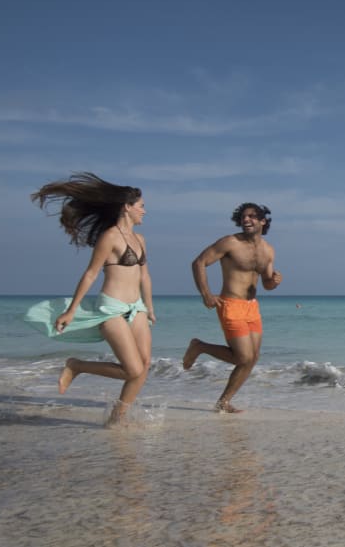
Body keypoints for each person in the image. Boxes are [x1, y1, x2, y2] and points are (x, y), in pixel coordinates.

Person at [23, 172, 156, 426]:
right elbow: (91, 274)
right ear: (127, 207)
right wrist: (72, 310)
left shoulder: (140, 240)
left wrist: (149, 307)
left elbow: (145, 276)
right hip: (111, 308)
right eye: (141, 206)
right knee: (132, 370)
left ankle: (117, 419)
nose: (144, 211)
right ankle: (77, 366)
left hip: (136, 307)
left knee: (145, 365)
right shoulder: (110, 237)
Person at [183, 203, 283, 413]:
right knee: (243, 357)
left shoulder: (268, 250)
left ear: (263, 221)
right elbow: (199, 262)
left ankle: (223, 402)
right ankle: (199, 346)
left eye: (252, 216)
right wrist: (206, 294)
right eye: (243, 217)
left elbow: (266, 283)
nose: (246, 220)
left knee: (253, 358)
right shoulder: (230, 242)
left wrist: (274, 281)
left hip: (252, 307)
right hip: (231, 304)